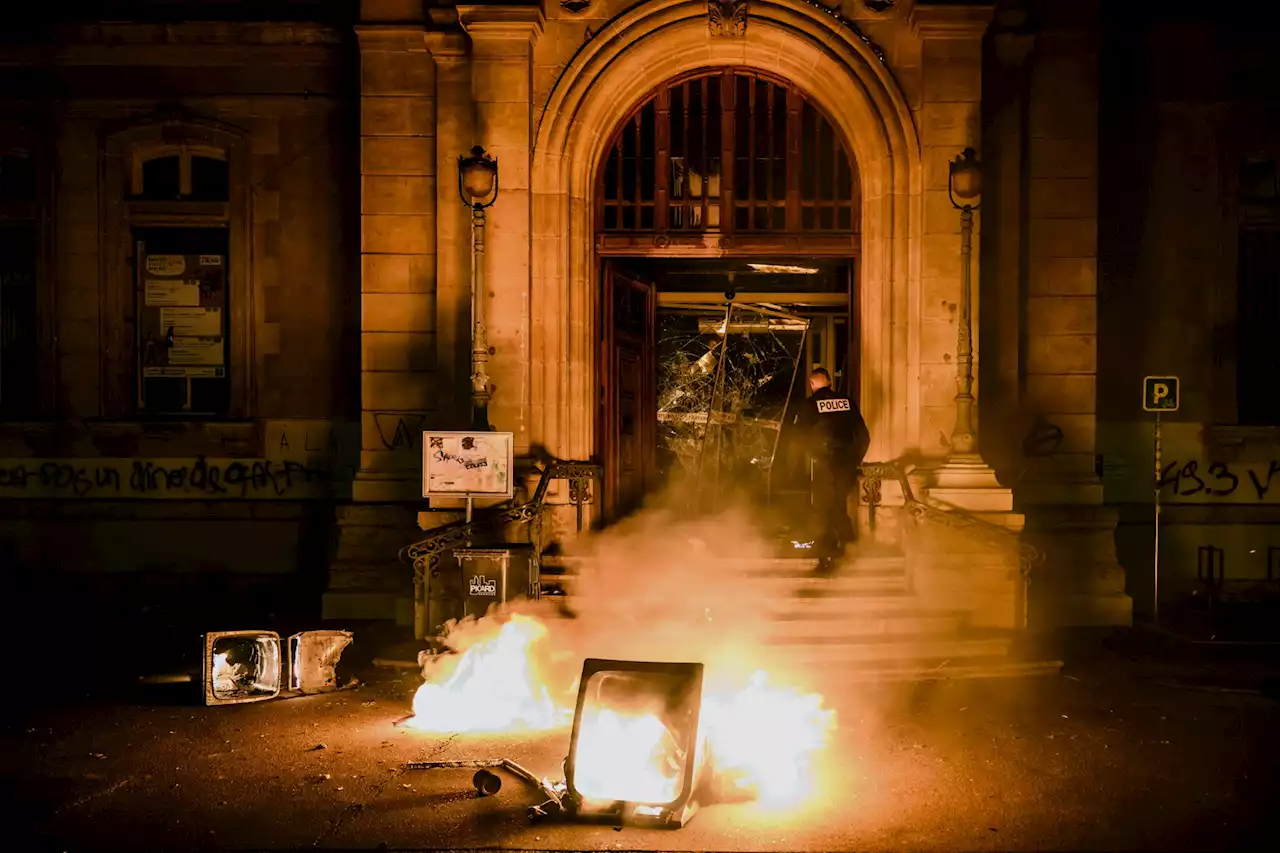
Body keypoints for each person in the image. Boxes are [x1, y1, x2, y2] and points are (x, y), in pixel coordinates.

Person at [792, 367, 871, 556]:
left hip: (823, 464)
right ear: (830, 382)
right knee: (838, 502)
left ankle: (836, 546)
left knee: (825, 506)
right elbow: (863, 436)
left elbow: (798, 436)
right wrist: (855, 459)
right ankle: (844, 546)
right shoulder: (848, 403)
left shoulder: (810, 405)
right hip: (846, 463)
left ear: (812, 384)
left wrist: (810, 456)